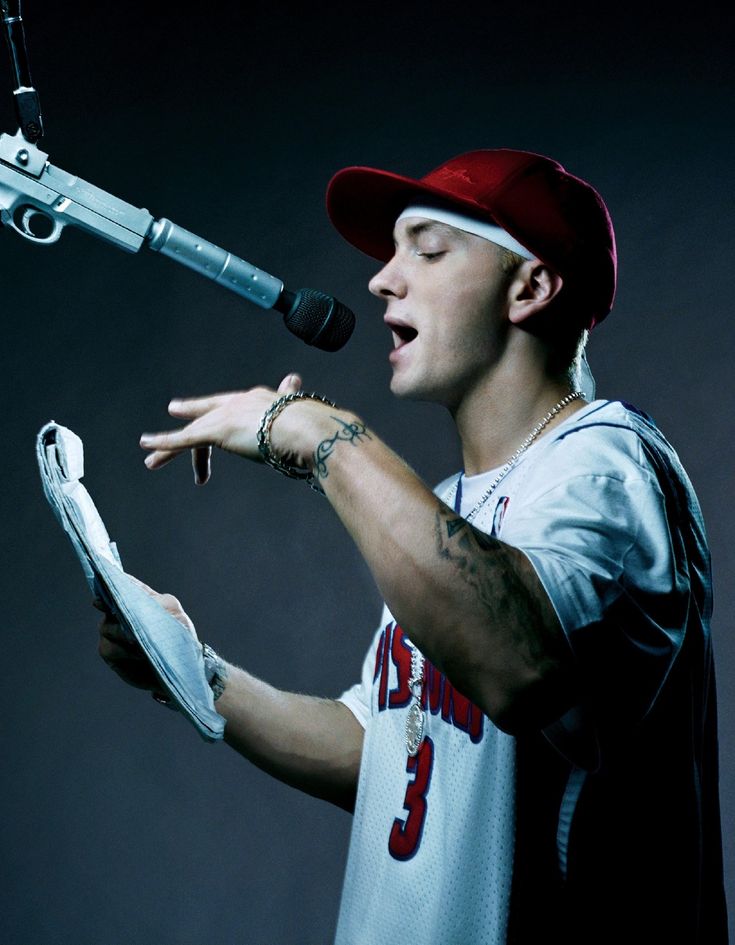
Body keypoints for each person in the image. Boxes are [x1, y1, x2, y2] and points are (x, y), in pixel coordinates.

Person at [98, 149, 728, 943]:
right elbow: (391, 752)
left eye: (426, 250)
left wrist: (327, 437)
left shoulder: (606, 462)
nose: (381, 279)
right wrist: (193, 672)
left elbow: (516, 663)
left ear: (529, 287)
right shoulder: (451, 509)